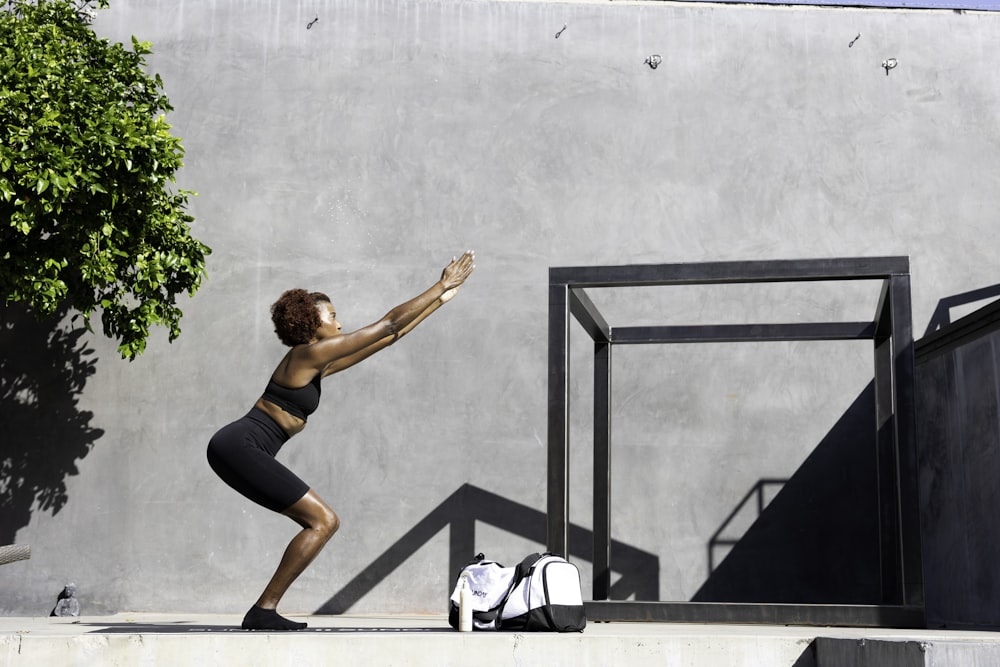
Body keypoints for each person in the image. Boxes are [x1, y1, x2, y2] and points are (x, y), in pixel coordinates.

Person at [207, 251, 475, 631]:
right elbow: (385, 324)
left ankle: (264, 609)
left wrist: (437, 302)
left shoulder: (317, 360)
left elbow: (388, 337)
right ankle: (263, 610)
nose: (339, 321)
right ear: (311, 322)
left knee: (321, 522)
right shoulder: (310, 353)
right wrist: (440, 284)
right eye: (332, 316)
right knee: (324, 521)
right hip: (241, 445)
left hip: (237, 447)